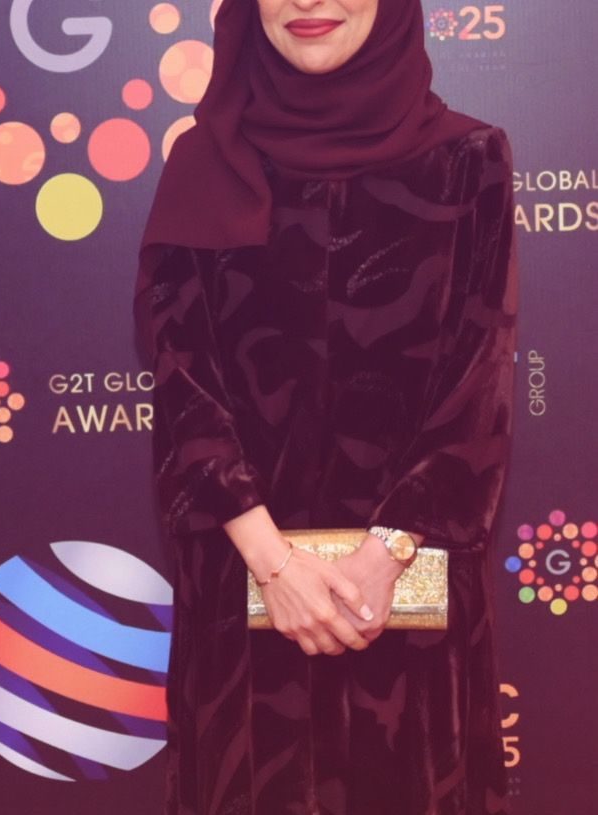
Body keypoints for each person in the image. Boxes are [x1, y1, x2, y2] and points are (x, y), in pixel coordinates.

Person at [132, 1, 518, 813]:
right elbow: (181, 381)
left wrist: (382, 557)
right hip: (244, 601)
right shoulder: (203, 163)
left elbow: (476, 382)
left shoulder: (468, 159)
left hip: (410, 600)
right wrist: (273, 566)